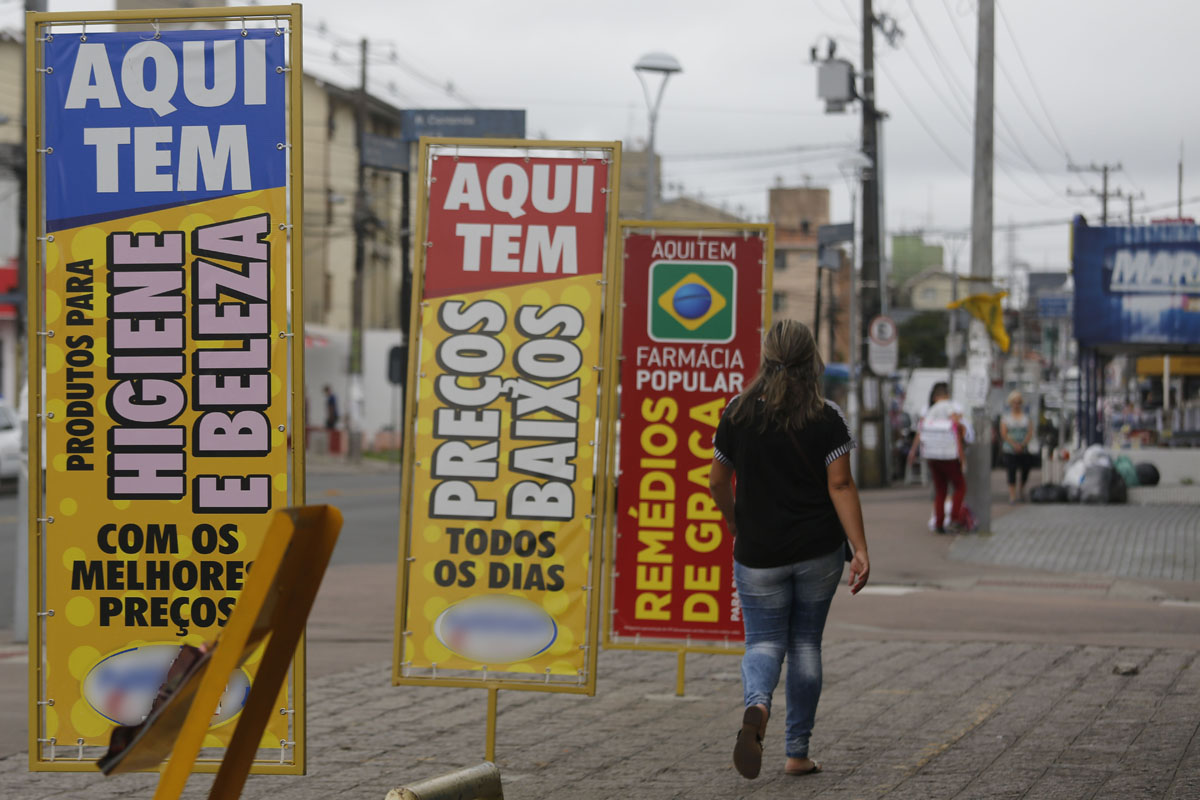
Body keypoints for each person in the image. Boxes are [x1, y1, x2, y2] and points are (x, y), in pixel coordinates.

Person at [708, 319, 870, 781]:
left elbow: (717, 480)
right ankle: (797, 753)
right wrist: (859, 548)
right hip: (818, 551)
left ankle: (756, 707)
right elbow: (840, 484)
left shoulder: (737, 413)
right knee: (804, 645)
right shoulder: (827, 416)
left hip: (758, 551)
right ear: (810, 359)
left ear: (766, 356)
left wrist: (734, 520)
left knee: (762, 641)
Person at [907, 382, 967, 533]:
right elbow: (956, 432)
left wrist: (913, 451)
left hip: (932, 455)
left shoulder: (929, 411)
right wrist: (961, 455)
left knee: (940, 489)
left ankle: (939, 522)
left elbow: (920, 432)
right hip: (949, 454)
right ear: (946, 395)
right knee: (960, 486)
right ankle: (955, 518)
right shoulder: (950, 407)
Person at [1000, 390, 1035, 503]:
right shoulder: (1006, 418)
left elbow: (1030, 432)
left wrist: (1023, 444)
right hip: (1010, 448)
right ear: (1011, 403)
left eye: (1019, 402)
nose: (1017, 404)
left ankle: (1021, 489)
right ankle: (1012, 495)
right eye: (1015, 402)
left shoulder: (1026, 417)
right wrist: (1014, 444)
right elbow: (1004, 433)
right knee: (1011, 471)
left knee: (1026, 469)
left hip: (1023, 448)